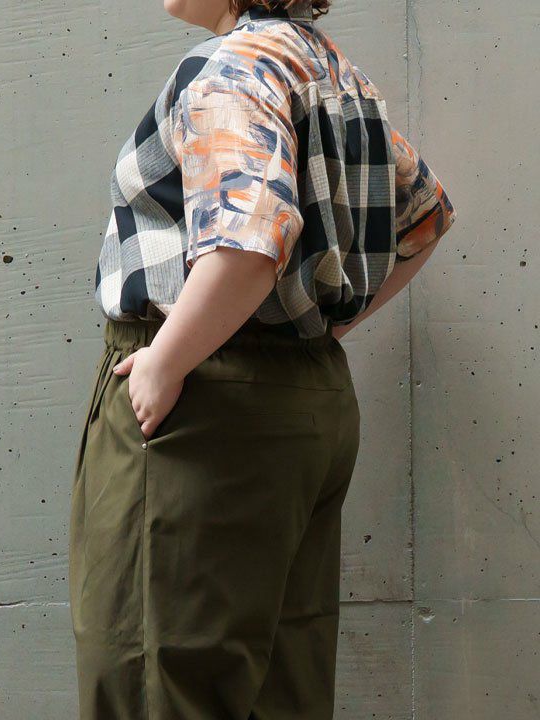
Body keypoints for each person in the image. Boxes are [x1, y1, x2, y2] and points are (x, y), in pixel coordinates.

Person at [68, 0, 458, 718]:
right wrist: (327, 327)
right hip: (306, 401)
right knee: (282, 689)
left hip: (208, 407)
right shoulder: (334, 74)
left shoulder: (231, 70)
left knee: (158, 679)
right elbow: (425, 217)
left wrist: (163, 363)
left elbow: (247, 244)